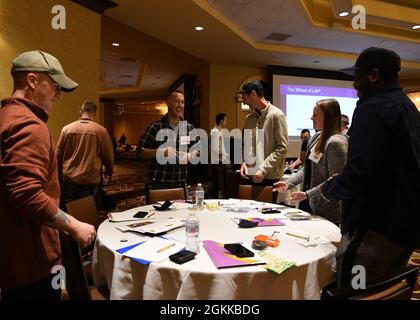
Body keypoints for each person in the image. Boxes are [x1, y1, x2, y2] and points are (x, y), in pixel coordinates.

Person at [0, 50, 96, 300]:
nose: (59, 94)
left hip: (12, 255)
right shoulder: (30, 125)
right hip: (33, 260)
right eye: (55, 86)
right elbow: (26, 193)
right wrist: (74, 225)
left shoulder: (6, 116)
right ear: (32, 81)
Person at [320, 47, 420, 287]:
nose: (355, 84)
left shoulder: (372, 108)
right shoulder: (408, 107)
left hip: (375, 230)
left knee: (357, 290)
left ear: (374, 75)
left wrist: (329, 188)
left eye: (358, 76)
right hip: (406, 230)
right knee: (386, 291)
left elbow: (361, 174)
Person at [273, 99, 348, 225]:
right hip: (308, 202)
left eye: (315, 115)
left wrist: (308, 194)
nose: (311, 118)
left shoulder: (336, 142)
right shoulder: (315, 137)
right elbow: (307, 168)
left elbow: (335, 180)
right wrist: (289, 183)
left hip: (326, 209)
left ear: (328, 117)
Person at [137, 90, 199, 191]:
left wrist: (191, 155)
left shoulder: (189, 128)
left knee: (182, 207)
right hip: (159, 182)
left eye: (182, 102)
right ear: (168, 102)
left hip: (181, 182)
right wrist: (161, 152)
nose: (180, 105)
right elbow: (140, 152)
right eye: (177, 102)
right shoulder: (155, 127)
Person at [56, 100, 114, 207]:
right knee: (88, 211)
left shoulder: (66, 129)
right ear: (94, 113)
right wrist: (109, 173)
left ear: (80, 111)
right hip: (90, 178)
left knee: (70, 209)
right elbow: (108, 157)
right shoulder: (101, 131)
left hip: (69, 177)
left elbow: (58, 154)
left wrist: (58, 174)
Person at [238, 80, 288, 185]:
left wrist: (263, 169)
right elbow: (246, 144)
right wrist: (243, 162)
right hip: (249, 175)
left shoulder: (277, 116)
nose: (244, 102)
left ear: (253, 94)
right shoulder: (249, 119)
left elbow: (282, 148)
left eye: (244, 98)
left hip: (269, 177)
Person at [207, 113, 230, 198]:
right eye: (225, 120)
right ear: (221, 121)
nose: (226, 122)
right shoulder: (215, 132)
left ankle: (208, 199)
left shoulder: (219, 131)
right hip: (217, 162)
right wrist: (224, 157)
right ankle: (205, 198)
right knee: (217, 185)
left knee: (217, 185)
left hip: (218, 161)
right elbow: (215, 149)